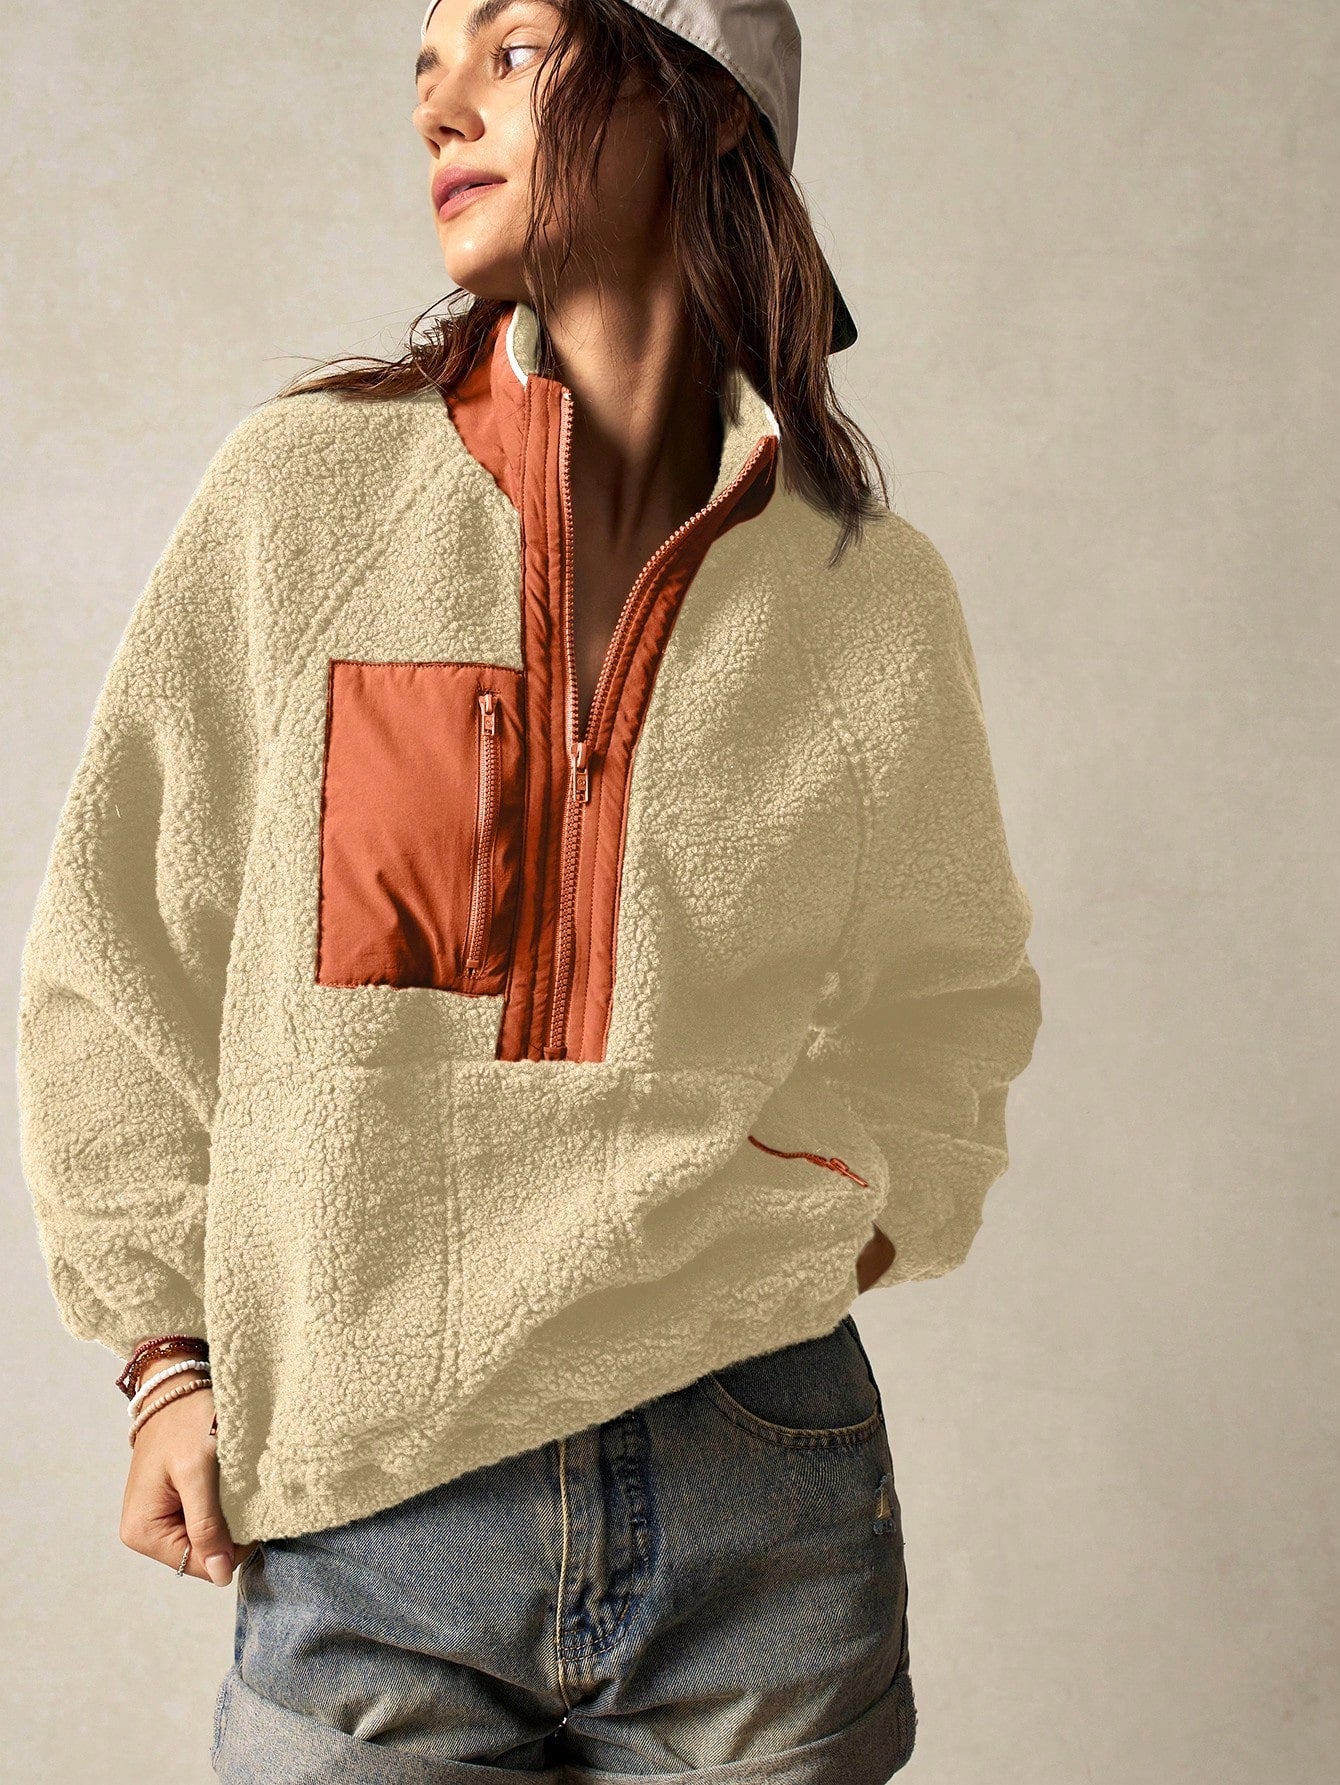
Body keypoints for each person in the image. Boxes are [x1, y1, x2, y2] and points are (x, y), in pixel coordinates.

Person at [16, 1, 1043, 1777]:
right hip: (370, 1508)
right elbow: (117, 954)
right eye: (428, 65)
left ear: (702, 110)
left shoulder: (865, 592)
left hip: (760, 1489)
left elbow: (950, 1000)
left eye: (514, 48)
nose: (439, 103)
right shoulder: (301, 499)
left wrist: (836, 1211)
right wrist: (166, 1352)